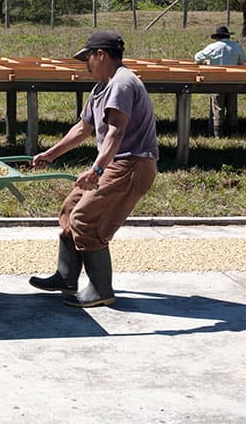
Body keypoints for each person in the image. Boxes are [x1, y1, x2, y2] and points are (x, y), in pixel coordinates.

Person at [29, 30, 159, 308]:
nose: (86, 64)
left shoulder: (122, 84)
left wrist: (96, 170)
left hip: (131, 164)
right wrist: (51, 154)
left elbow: (115, 131)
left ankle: (101, 290)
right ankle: (66, 277)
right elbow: (83, 128)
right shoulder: (102, 87)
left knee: (86, 220)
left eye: (87, 57)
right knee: (69, 210)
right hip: (116, 162)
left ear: (101, 55)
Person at [194, 25, 246, 137]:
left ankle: (218, 134)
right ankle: (233, 133)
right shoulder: (236, 47)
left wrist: (207, 63)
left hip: (217, 81)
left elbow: (197, 58)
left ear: (217, 37)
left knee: (218, 108)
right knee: (232, 108)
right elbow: (243, 61)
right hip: (233, 81)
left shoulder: (213, 47)